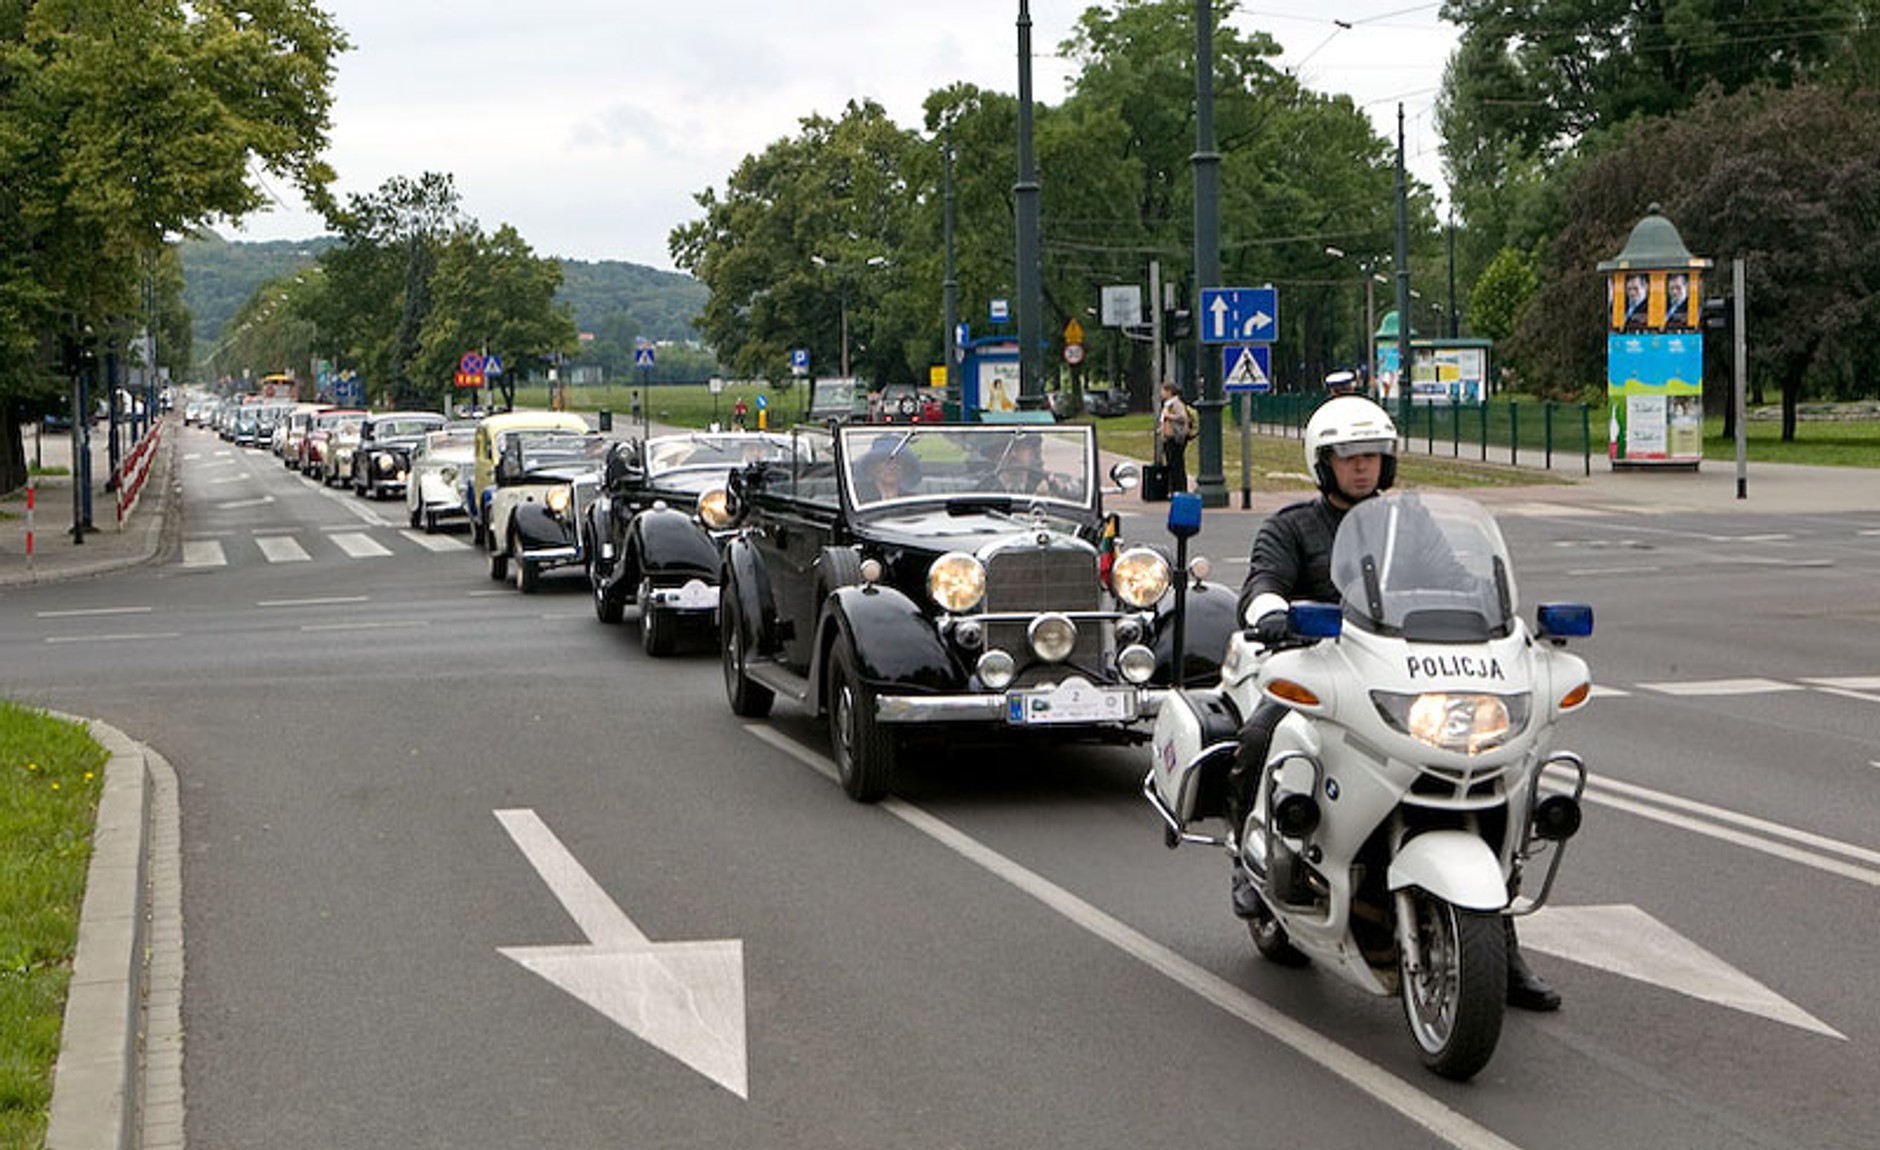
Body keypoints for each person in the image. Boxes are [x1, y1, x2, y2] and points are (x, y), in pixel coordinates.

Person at [1229, 395, 1562, 1013]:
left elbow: (1457, 581)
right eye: (1349, 457)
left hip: (1403, 671)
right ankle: (1251, 866)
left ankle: (1500, 945)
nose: (1363, 468)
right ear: (1323, 463)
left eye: (1374, 456)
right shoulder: (1291, 527)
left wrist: (1492, 615)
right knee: (1262, 735)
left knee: (1497, 776)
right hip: (1324, 670)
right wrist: (1272, 612)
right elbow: (1262, 582)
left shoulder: (1410, 525)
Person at [854, 439, 919, 502]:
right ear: (871, 468)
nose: (892, 466)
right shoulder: (857, 497)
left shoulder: (913, 500)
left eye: (898, 461)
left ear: (905, 469)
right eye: (886, 461)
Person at [1157, 382, 1190, 494]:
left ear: (1169, 392)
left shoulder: (1176, 404)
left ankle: (1180, 488)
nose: (1161, 393)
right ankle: (1174, 488)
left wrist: (1169, 416)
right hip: (1168, 438)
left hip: (1175, 438)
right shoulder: (1168, 404)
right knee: (1171, 464)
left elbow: (1183, 417)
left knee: (1177, 464)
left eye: (1163, 391)